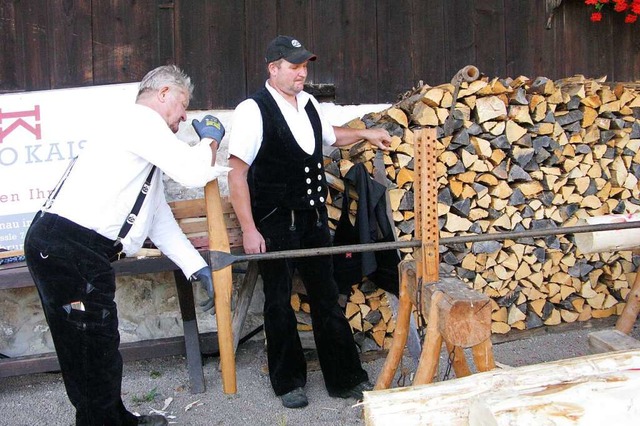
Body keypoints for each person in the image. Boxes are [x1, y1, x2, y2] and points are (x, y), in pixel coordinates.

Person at [24, 65, 227, 426]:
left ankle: (116, 419)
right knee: (92, 349)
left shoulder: (141, 139)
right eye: (183, 105)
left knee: (96, 345)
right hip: (70, 246)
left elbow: (157, 216)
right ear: (163, 92)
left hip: (71, 247)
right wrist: (210, 140)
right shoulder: (140, 121)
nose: (183, 118)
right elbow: (194, 172)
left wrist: (195, 266)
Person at [227, 35, 392, 409]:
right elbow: (236, 175)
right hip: (273, 222)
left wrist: (366, 133)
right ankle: (288, 382)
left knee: (326, 296)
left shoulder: (309, 103)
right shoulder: (253, 110)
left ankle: (345, 377)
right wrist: (250, 229)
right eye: (294, 66)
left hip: (314, 219)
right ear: (274, 69)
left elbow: (332, 137)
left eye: (304, 66)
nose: (302, 72)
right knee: (278, 302)